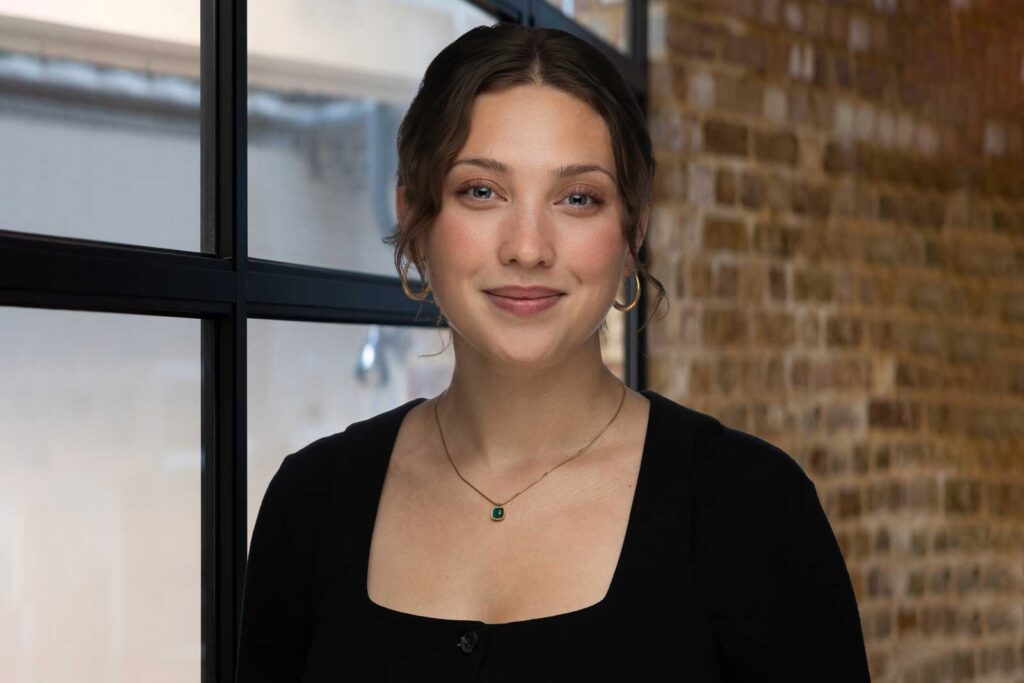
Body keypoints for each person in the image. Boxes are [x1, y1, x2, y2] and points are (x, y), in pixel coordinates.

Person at [234, 22, 871, 682]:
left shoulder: (754, 507)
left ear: (632, 232)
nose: (528, 247)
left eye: (577, 198)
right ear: (415, 218)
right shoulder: (307, 504)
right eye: (481, 190)